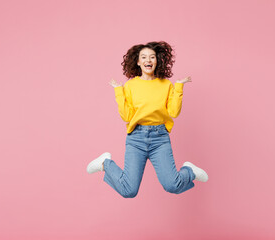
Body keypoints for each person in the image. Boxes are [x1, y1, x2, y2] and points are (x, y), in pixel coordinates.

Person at [87, 41, 208, 198]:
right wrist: (119, 91)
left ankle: (189, 171)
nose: (148, 60)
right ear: (138, 62)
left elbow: (174, 112)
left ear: (157, 60)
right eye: (143, 57)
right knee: (129, 190)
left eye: (152, 57)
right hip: (136, 138)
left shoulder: (166, 84)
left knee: (172, 184)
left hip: (160, 138)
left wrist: (178, 87)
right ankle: (105, 163)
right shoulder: (130, 86)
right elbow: (127, 116)